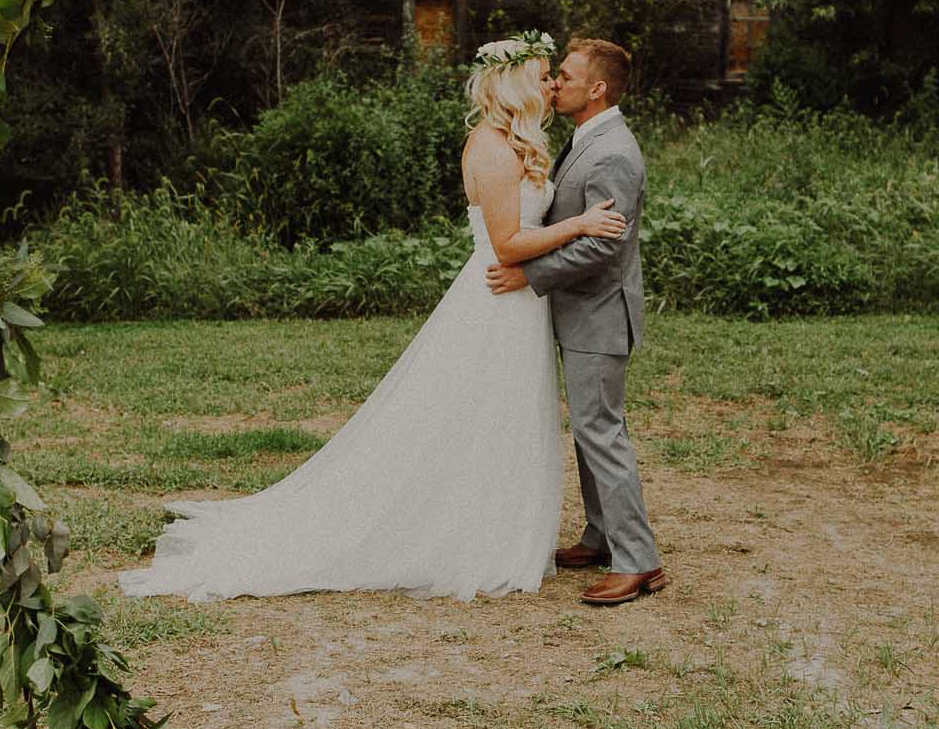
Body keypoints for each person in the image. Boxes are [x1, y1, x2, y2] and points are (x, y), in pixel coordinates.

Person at [115, 31, 626, 603]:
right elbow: (507, 244)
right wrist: (579, 225)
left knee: (499, 415)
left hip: (517, 303)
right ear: (513, 83)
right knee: (474, 416)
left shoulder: (517, 142)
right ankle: (458, 531)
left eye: (554, 74)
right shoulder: (492, 147)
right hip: (498, 296)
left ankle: (491, 520)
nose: (551, 82)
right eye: (540, 75)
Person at [485, 37, 663, 606]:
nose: (556, 83)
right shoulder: (587, 139)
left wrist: (530, 274)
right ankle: (600, 534)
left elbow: (604, 249)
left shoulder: (613, 152)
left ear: (597, 88)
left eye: (566, 75)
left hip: (600, 314)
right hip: (582, 312)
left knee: (601, 431)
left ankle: (639, 561)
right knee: (590, 430)